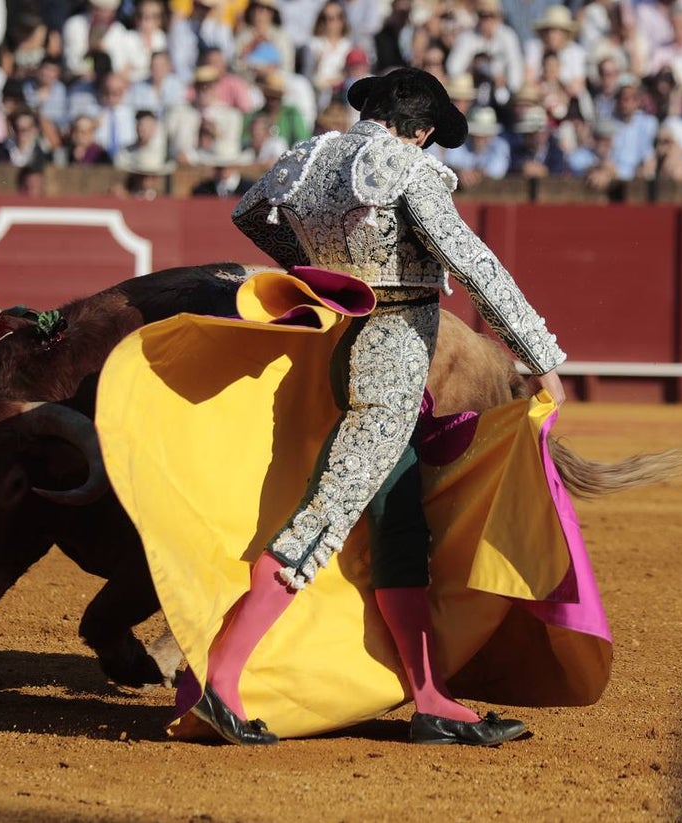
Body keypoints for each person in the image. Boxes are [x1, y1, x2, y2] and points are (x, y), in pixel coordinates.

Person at [114, 67, 570, 747]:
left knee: (397, 524)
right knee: (326, 515)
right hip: (390, 356)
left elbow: (248, 212)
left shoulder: (312, 157)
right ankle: (223, 685)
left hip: (342, 338)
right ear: (419, 128)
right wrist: (542, 355)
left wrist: (316, 270)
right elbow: (473, 264)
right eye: (428, 137)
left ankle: (431, 698)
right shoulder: (408, 169)